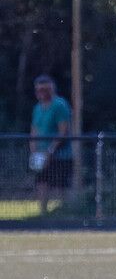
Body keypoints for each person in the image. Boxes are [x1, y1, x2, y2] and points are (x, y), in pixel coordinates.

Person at [29, 75, 73, 215]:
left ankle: (65, 213)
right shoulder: (37, 108)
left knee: (61, 185)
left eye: (45, 89)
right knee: (41, 183)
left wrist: (50, 151)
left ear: (51, 89)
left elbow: (63, 131)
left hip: (60, 155)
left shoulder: (60, 105)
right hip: (41, 155)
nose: (41, 92)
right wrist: (34, 152)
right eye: (39, 90)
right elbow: (34, 131)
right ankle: (43, 214)